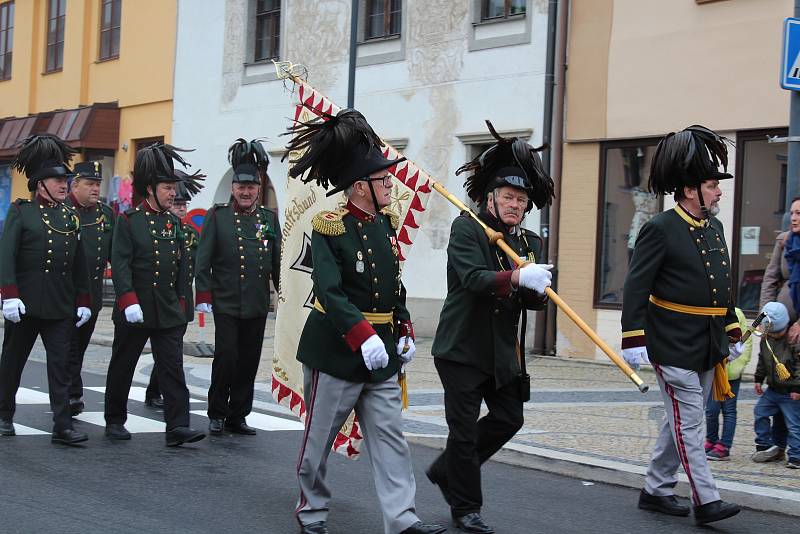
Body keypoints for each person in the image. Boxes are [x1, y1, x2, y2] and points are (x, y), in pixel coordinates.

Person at [286, 108, 445, 534]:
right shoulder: (329, 226)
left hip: (383, 353)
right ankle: (312, 512)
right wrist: (362, 336)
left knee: (391, 439)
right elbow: (329, 291)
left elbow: (396, 287)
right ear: (360, 188)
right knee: (318, 441)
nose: (391, 184)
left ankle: (403, 520)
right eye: (383, 180)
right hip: (336, 351)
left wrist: (404, 330)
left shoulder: (386, 225)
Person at [425, 125, 554, 534]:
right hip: (462, 348)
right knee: (463, 433)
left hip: (501, 353)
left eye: (522, 200)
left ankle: (448, 470)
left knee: (508, 419)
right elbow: (474, 280)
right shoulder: (469, 229)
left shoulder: (528, 242)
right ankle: (466, 506)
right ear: (491, 198)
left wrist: (540, 289)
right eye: (509, 198)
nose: (516, 205)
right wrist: (516, 280)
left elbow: (533, 299)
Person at [621, 125, 742, 526]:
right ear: (690, 190)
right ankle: (707, 500)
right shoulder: (660, 228)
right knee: (691, 420)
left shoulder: (715, 228)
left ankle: (656, 489)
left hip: (706, 342)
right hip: (671, 342)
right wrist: (633, 337)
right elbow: (636, 285)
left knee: (682, 419)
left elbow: (719, 283)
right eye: (712, 185)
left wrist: (731, 328)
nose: (719, 192)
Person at [103, 143, 205, 447]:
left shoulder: (174, 223)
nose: (173, 193)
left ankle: (177, 426)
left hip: (166, 310)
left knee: (172, 368)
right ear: (150, 189)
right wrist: (128, 301)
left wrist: (181, 304)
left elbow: (182, 268)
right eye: (167, 187)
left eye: (174, 187)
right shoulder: (129, 221)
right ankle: (114, 420)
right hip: (136, 308)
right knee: (123, 364)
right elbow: (120, 264)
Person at [0, 134, 92, 445]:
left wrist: (83, 300)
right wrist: (9, 296)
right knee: (12, 362)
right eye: (57, 180)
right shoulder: (21, 212)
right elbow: (6, 256)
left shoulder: (69, 216)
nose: (64, 184)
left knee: (62, 366)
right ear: (40, 184)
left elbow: (79, 263)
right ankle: (3, 415)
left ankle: (62, 425)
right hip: (24, 306)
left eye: (66, 179)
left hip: (59, 306)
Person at [194, 139, 280, 436]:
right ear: (233, 189)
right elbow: (202, 260)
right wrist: (203, 295)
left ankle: (238, 414)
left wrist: (286, 295)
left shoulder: (268, 219)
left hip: (256, 302)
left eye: (251, 188)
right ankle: (217, 411)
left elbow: (276, 261)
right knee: (227, 357)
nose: (246, 192)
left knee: (249, 360)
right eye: (241, 187)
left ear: (258, 189)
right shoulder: (218, 217)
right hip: (226, 300)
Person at [144, 170, 204, 409]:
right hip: (157, 298)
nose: (181, 209)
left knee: (172, 350)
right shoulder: (163, 229)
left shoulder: (188, 233)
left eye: (184, 205)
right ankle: (154, 391)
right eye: (177, 204)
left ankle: (156, 390)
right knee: (167, 351)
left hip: (182, 299)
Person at [64, 161, 115, 416]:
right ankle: (71, 394)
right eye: (90, 184)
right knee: (66, 347)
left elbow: (115, 254)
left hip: (92, 295)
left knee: (79, 347)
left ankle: (70, 391)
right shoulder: (62, 209)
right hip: (63, 294)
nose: (95, 189)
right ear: (75, 185)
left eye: (98, 184)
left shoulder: (106, 215)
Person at [756, 197, 800, 458]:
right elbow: (770, 278)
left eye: (799, 213)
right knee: (779, 380)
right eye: (792, 212)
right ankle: (778, 444)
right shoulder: (784, 241)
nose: (794, 218)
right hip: (780, 326)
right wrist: (764, 318)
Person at [752, 301, 800, 469]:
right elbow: (762, 358)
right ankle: (765, 446)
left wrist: (797, 388)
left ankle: (795, 455)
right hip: (772, 389)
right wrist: (758, 378)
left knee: (793, 424)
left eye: (778, 332)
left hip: (790, 392)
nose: (775, 335)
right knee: (760, 412)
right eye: (772, 331)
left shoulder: (794, 339)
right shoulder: (766, 336)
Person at [705, 307, 752, 460]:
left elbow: (746, 344)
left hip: (731, 373)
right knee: (711, 410)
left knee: (729, 410)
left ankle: (724, 445)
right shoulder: (712, 309)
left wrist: (737, 365)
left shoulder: (737, 314)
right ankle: (711, 440)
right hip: (715, 370)